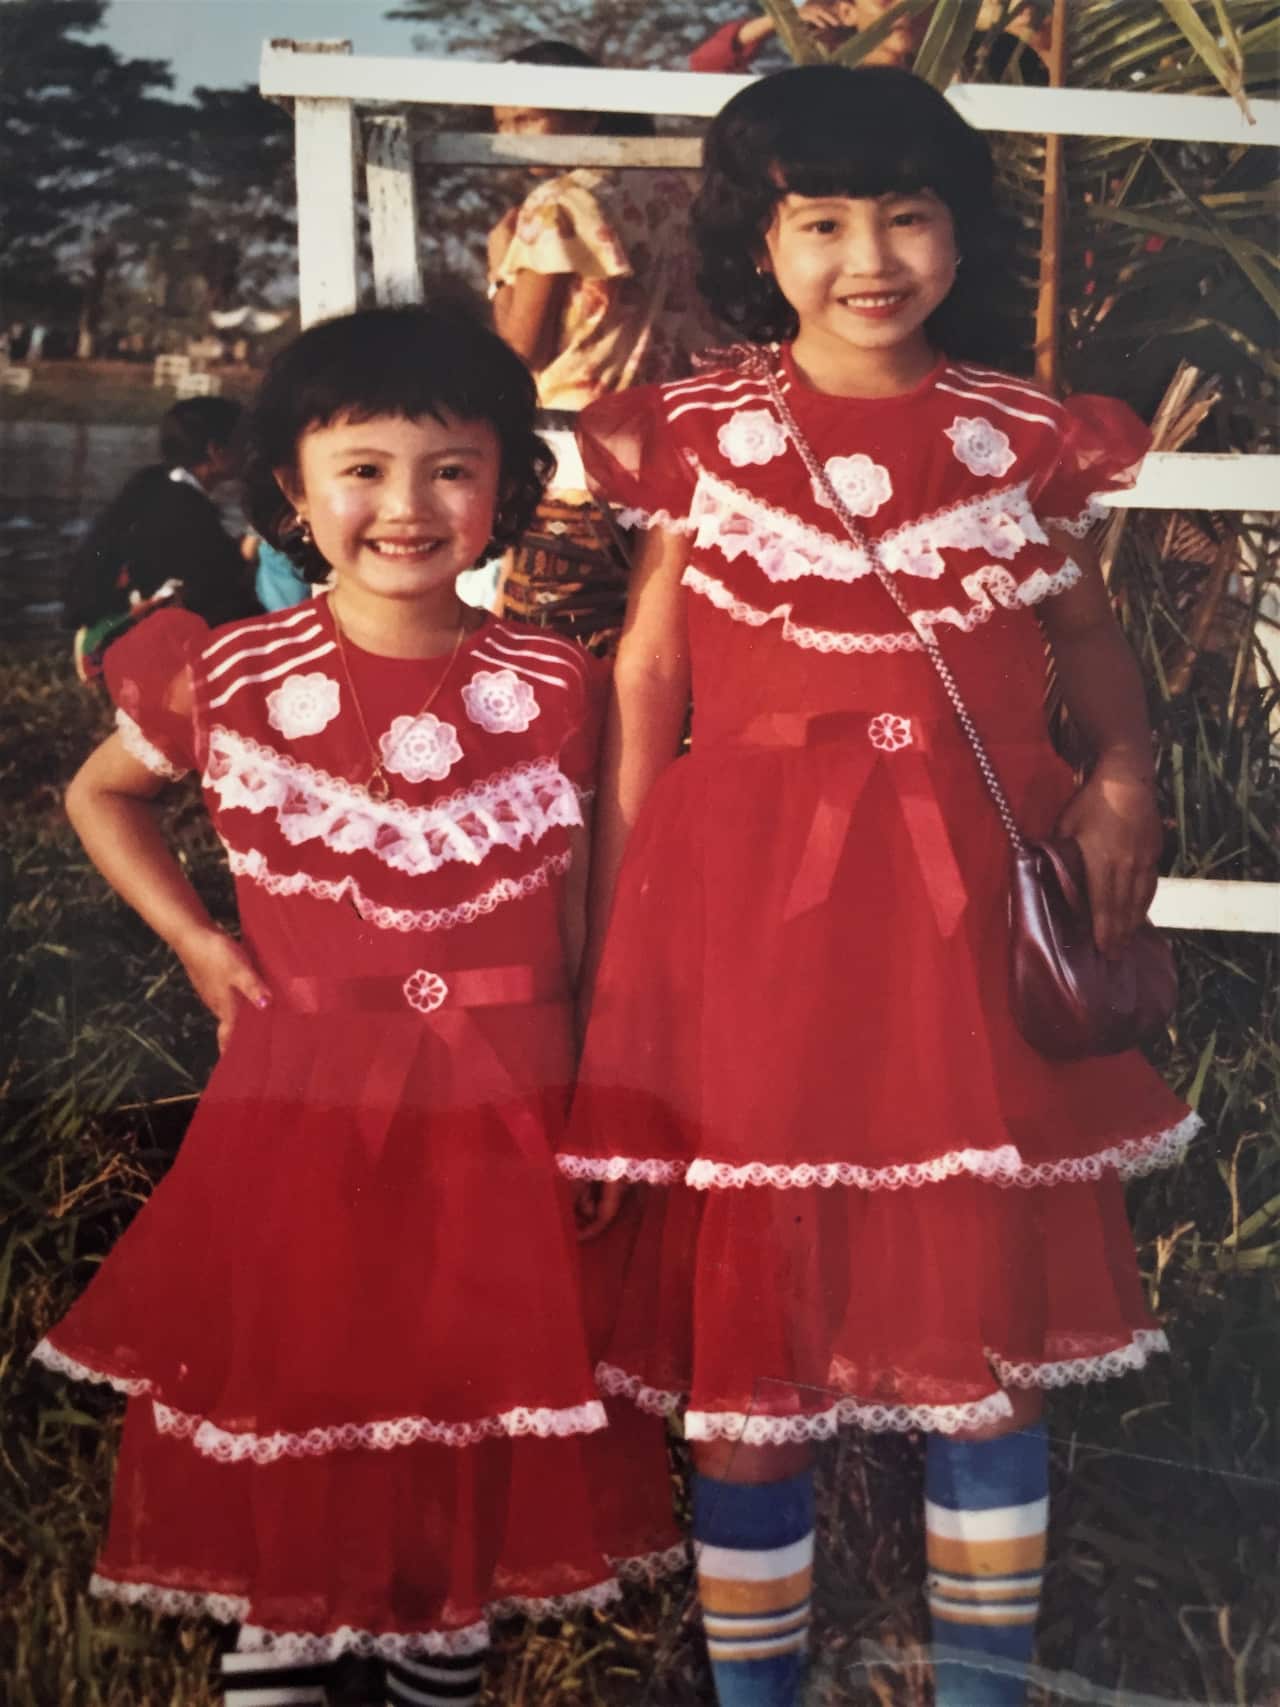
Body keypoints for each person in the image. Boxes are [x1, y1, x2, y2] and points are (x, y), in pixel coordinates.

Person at [559, 66, 1199, 1707]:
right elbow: (646, 683)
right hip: (747, 915)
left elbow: (1088, 645)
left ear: (956, 234)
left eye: (906, 217)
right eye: (822, 222)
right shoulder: (697, 429)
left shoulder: (1015, 431)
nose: (869, 258)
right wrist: (620, 941)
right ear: (758, 241)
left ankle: (983, 1686)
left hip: (959, 920)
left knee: (983, 1328)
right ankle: (756, 1689)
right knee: (751, 1342)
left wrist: (1126, 776)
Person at [33, 304, 680, 1707]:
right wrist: (197, 941)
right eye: (364, 469)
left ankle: (435, 1626)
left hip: (505, 1098)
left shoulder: (554, 683)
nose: (407, 506)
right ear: (292, 487)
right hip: (303, 1094)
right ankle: (289, 1623)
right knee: (307, 1349)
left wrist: (589, 1100)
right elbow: (100, 793)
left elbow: (581, 919)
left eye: (452, 469)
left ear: (506, 484)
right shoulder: (231, 672)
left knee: (460, 1366)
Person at [488, 40, 714, 654]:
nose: (512, 139)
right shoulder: (683, 193)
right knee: (663, 659)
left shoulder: (556, 202)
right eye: (503, 123)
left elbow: (517, 353)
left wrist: (498, 271)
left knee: (546, 659)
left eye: (528, 119)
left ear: (585, 113)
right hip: (680, 457)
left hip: (574, 466)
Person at [66, 395, 260, 678]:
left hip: (101, 623)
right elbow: (218, 576)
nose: (248, 451)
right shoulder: (186, 506)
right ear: (216, 451)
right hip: (126, 641)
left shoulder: (154, 482)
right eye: (242, 443)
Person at [688, 0, 1048, 82]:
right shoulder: (822, 83)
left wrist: (1021, 28)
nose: (903, 13)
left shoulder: (977, 68)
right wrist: (778, 22)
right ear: (847, 12)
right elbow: (706, 70)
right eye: (885, 0)